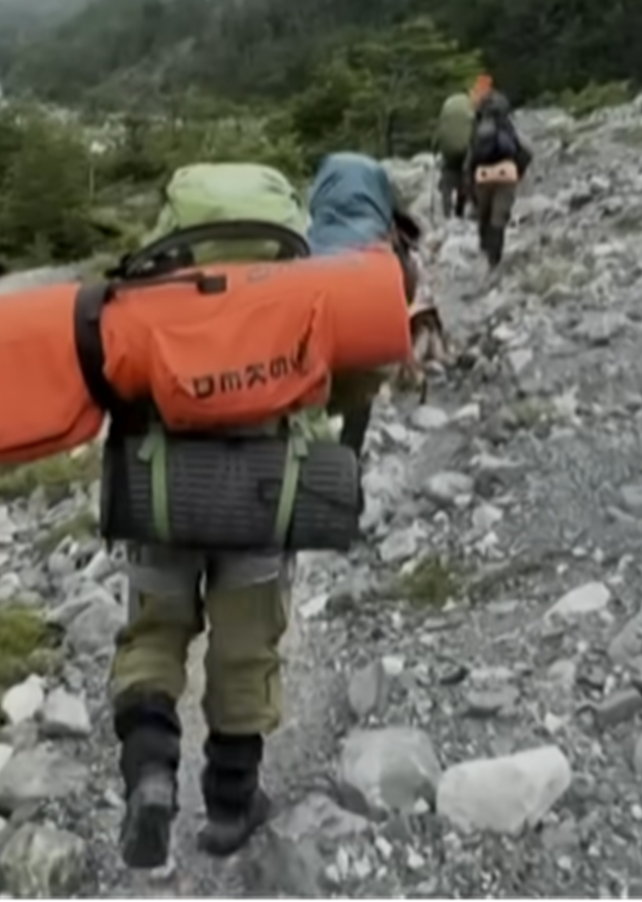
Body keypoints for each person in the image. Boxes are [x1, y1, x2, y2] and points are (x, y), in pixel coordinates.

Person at [107, 164, 309, 869]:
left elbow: (112, 375)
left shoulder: (151, 279)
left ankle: (150, 771)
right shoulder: (301, 279)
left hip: (161, 489)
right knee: (245, 649)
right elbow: (350, 376)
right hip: (261, 494)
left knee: (153, 635)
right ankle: (229, 807)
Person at [306, 151, 418, 457]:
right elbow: (405, 291)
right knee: (362, 389)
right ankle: (350, 457)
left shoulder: (305, 236)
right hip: (366, 352)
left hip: (314, 355)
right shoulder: (388, 240)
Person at [464, 88, 533, 266]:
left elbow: (470, 160)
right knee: (499, 218)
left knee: (484, 215)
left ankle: (485, 251)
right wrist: (518, 171)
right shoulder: (507, 126)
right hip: (506, 174)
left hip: (482, 176)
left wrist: (470, 186)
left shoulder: (477, 128)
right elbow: (525, 153)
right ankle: (495, 260)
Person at [434, 90, 475, 219]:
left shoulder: (447, 110)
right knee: (463, 179)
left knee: (447, 182)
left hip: (449, 154)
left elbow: (439, 133)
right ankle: (460, 211)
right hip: (466, 152)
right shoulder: (470, 107)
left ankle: (447, 214)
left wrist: (435, 147)